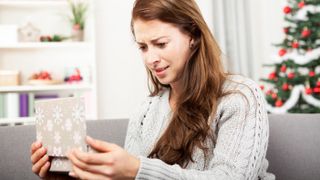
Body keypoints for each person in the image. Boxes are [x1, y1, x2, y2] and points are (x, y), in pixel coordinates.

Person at [30, 0, 275, 179]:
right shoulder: (147, 109)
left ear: (193, 36)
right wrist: (67, 175)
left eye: (160, 44)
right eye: (143, 47)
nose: (151, 58)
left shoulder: (239, 96)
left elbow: (232, 178)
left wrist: (138, 169)